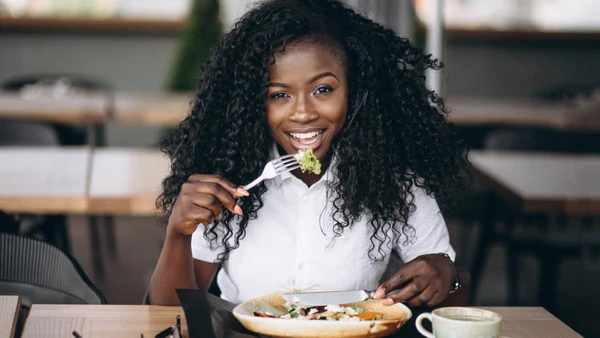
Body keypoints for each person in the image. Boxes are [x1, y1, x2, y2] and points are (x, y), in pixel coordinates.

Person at [149, 0, 470, 308]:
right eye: (279, 95)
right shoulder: (229, 181)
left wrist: (447, 274)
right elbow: (171, 310)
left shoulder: (394, 181)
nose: (302, 113)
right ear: (253, 102)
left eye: (323, 90)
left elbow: (456, 300)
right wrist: (178, 233)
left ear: (354, 91)